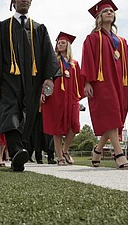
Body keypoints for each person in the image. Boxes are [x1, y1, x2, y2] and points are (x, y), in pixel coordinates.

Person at [0, 0, 60, 171]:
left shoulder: (39, 28)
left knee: (27, 116)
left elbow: (48, 55)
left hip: (33, 81)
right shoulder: (3, 26)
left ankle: (19, 152)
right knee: (11, 111)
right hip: (9, 80)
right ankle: (17, 150)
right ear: (13, 1)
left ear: (31, 1)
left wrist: (49, 78)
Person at [81, 0, 128, 169]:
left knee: (115, 118)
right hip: (101, 83)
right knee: (112, 114)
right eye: (105, 11)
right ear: (99, 16)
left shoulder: (121, 42)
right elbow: (87, 60)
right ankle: (119, 154)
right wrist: (86, 82)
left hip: (120, 84)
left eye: (111, 11)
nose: (109, 13)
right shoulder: (92, 38)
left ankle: (97, 150)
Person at [42, 32, 84, 165]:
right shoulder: (53, 61)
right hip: (56, 97)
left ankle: (65, 150)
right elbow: (46, 78)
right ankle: (60, 157)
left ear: (68, 45)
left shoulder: (74, 64)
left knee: (75, 126)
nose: (60, 44)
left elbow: (81, 81)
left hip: (71, 97)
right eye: (59, 43)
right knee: (57, 128)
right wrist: (43, 92)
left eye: (63, 42)